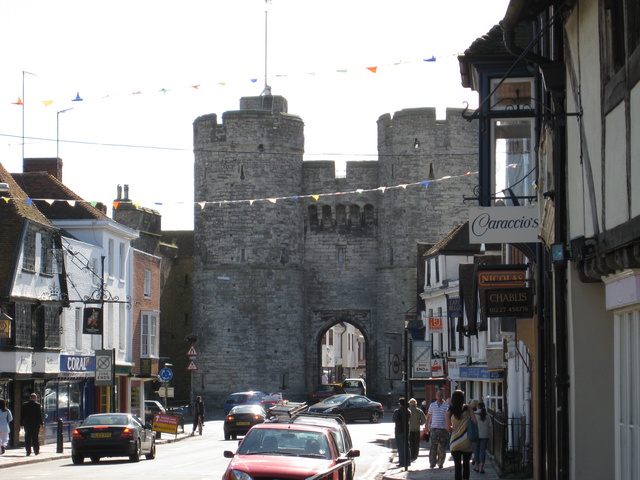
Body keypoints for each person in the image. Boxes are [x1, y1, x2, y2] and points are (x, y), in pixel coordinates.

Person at [446, 390, 478, 480]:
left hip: (455, 442)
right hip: (467, 441)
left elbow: (448, 428)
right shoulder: (468, 409)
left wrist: (455, 427)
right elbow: (475, 422)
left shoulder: (449, 411)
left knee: (457, 466)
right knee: (466, 464)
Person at [425, 390, 449, 468]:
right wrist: (426, 427)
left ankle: (440, 462)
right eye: (438, 396)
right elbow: (429, 416)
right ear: (436, 397)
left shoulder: (447, 406)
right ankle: (432, 462)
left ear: (442, 396)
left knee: (442, 447)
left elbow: (449, 417)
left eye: (440, 396)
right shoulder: (432, 405)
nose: (439, 397)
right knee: (433, 446)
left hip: (443, 428)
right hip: (434, 428)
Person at [392, 397, 412, 467]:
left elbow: (393, 419)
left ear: (400, 404)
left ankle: (402, 462)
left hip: (399, 430)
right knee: (407, 446)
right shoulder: (408, 411)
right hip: (406, 430)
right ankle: (408, 461)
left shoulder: (397, 411)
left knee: (400, 447)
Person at [473, 401, 490, 474]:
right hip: (485, 435)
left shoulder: (474, 415)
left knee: (476, 451)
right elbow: (491, 426)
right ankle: (481, 467)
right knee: (483, 451)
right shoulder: (487, 415)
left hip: (476, 435)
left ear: (478, 407)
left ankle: (476, 466)